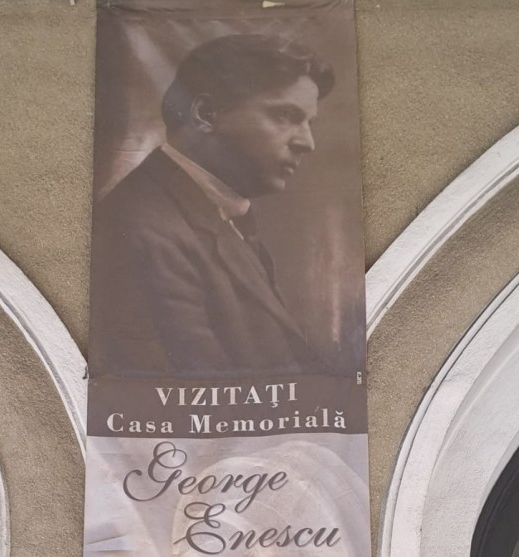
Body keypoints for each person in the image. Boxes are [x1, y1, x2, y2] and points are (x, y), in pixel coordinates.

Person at [89, 33, 335, 378]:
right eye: (285, 115)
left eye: (308, 123)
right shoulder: (142, 232)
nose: (307, 143)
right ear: (205, 114)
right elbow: (192, 390)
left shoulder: (209, 213)